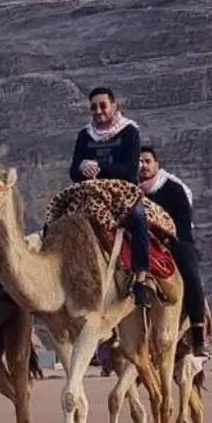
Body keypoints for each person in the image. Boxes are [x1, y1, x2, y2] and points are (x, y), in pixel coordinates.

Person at [68, 87, 150, 306]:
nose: (98, 111)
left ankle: (141, 278)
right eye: (94, 107)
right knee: (58, 221)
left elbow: (130, 169)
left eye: (103, 105)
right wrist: (83, 168)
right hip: (91, 194)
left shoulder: (129, 132)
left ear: (114, 106)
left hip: (122, 194)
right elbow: (73, 172)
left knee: (139, 218)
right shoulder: (85, 135)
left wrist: (99, 166)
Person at [137, 147, 208, 356]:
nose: (143, 166)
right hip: (142, 244)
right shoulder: (129, 189)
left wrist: (165, 237)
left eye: (147, 161)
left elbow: (184, 224)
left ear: (156, 164)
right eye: (139, 162)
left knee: (192, 277)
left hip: (175, 242)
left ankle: (198, 336)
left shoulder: (174, 189)